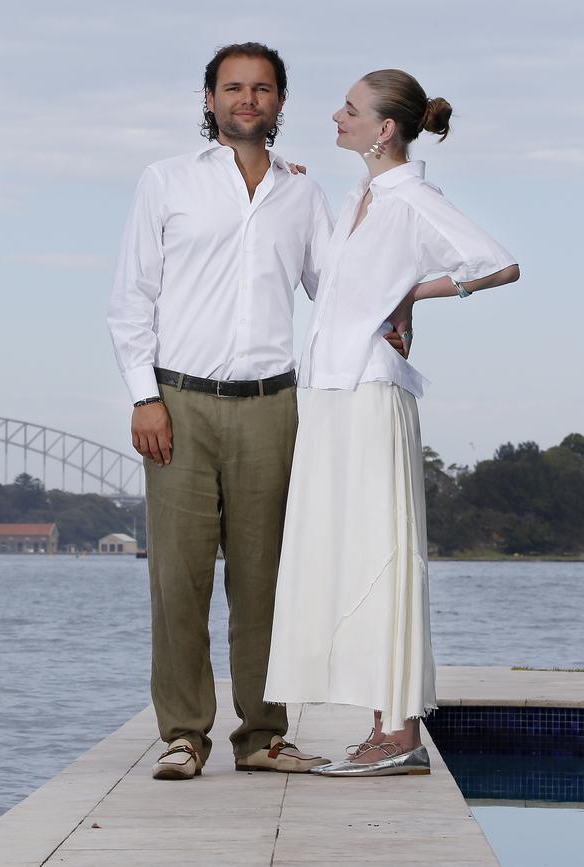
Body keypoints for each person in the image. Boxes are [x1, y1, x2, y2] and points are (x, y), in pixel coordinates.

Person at [107, 44, 407, 781]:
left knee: (265, 580)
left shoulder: (303, 195)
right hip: (177, 400)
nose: (248, 99)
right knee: (178, 578)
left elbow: (335, 287)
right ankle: (183, 733)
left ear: (279, 103)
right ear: (208, 99)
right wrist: (144, 394)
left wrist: (394, 309)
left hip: (274, 406)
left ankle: (264, 736)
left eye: (262, 88)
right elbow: (131, 298)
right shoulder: (166, 182)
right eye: (233, 87)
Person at [264, 68, 520, 777]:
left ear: (385, 129)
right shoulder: (360, 198)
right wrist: (282, 173)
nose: (335, 115)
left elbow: (499, 264)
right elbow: (339, 286)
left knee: (381, 550)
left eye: (350, 109)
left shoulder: (411, 197)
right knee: (345, 549)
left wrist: (417, 290)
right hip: (332, 390)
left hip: (373, 393)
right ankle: (385, 726)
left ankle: (399, 731)